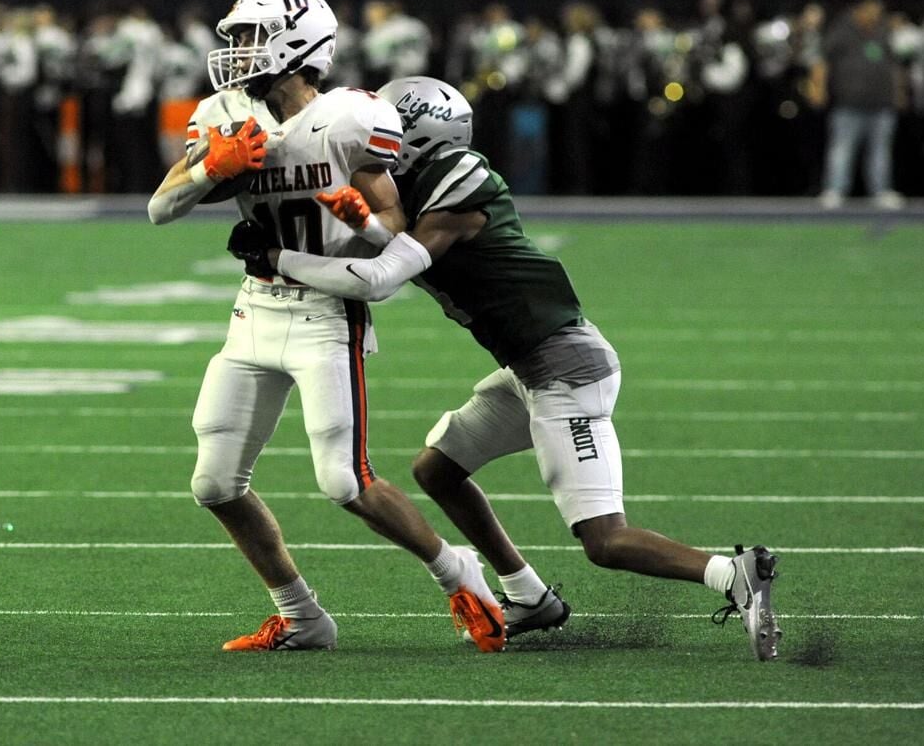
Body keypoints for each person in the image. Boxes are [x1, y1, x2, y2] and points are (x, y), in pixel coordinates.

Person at [246, 75, 783, 661]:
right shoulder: (417, 191)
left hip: (565, 368)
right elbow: (387, 236)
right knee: (437, 468)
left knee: (605, 539)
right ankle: (527, 596)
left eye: (386, 129)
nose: (371, 141)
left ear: (419, 133)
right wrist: (361, 220)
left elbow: (380, 278)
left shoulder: (459, 182)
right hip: (530, 367)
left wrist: (275, 258)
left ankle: (731, 573)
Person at [146, 0, 505, 653]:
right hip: (253, 311)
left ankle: (460, 574)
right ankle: (303, 616)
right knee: (215, 483)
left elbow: (391, 228)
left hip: (325, 314)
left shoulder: (348, 119)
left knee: (346, 481)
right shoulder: (224, 112)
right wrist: (206, 172)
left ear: (297, 42)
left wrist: (357, 217)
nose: (238, 52)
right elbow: (160, 208)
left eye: (253, 36)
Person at [809, 0, 905, 210]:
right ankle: (835, 189)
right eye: (871, 11)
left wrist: (899, 92)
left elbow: (893, 65)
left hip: (881, 102)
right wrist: (818, 88)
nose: (875, 16)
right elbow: (822, 62)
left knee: (881, 149)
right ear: (858, 10)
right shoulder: (841, 31)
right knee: (842, 148)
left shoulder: (882, 31)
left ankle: (881, 190)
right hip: (848, 103)